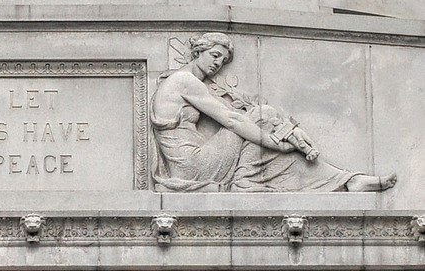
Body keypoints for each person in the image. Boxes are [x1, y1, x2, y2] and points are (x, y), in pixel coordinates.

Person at [150, 32, 397, 192]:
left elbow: (235, 110)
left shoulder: (197, 84)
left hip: (195, 163)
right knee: (261, 116)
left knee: (267, 130)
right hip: (192, 167)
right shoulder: (184, 80)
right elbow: (231, 119)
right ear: (197, 52)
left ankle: (344, 181)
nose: (217, 64)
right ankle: (344, 179)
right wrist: (272, 141)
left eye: (223, 61)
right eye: (214, 55)